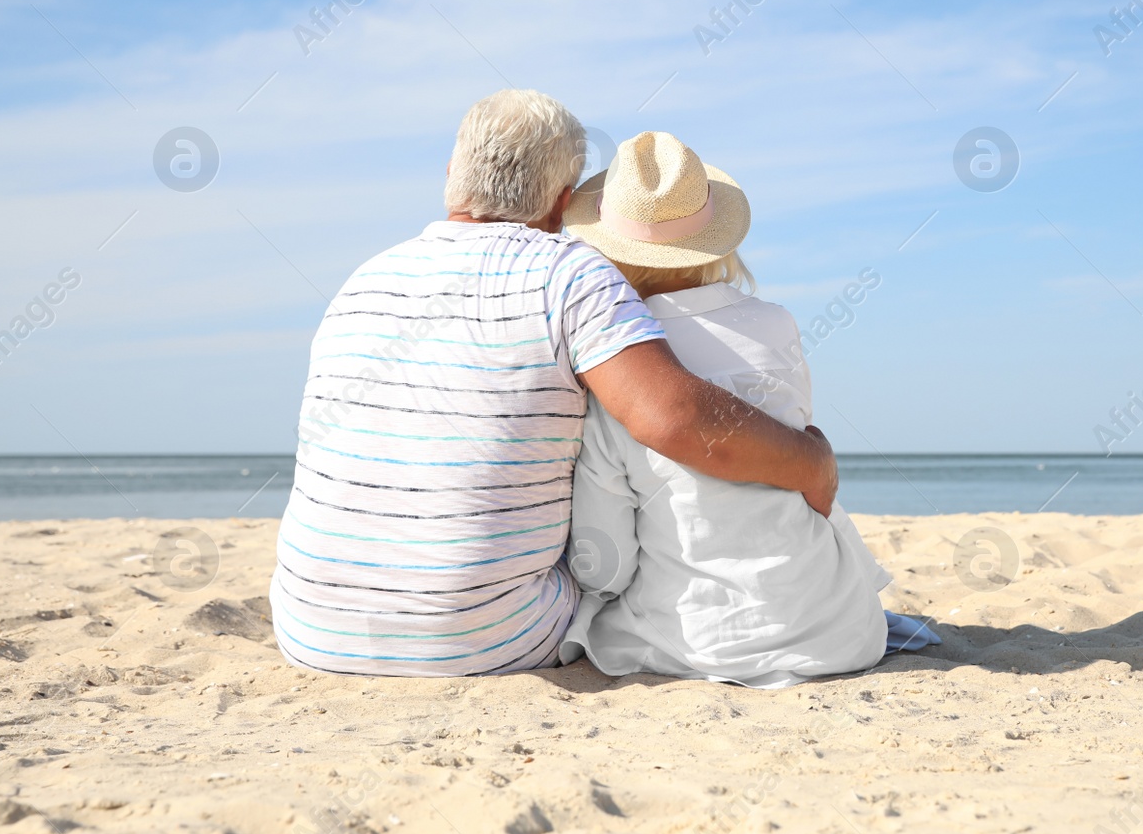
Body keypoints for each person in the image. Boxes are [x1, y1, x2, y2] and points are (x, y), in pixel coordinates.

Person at [268, 91, 839, 677]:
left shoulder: (364, 279)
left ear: (451, 175)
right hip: (483, 639)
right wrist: (809, 462)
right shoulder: (567, 272)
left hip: (309, 627)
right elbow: (675, 419)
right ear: (564, 201)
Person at [558, 131, 938, 688]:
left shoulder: (623, 364)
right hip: (841, 633)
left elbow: (606, 562)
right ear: (716, 239)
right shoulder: (775, 325)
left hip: (703, 645)